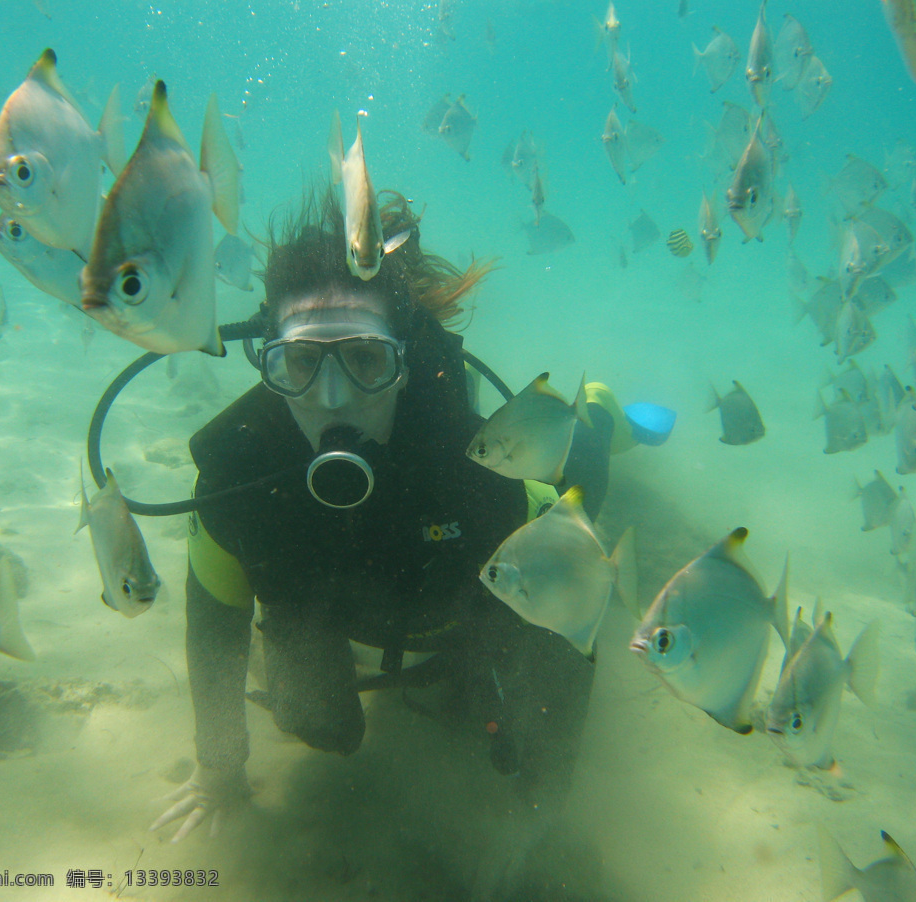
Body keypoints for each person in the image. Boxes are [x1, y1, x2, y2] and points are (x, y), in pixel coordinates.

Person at [151, 190, 646, 844]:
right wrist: (218, 769)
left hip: (457, 582)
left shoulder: (476, 471)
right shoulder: (234, 479)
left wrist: (544, 788)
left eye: (365, 360)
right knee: (308, 711)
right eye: (300, 362)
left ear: (404, 366)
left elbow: (569, 592)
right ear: (268, 364)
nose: (334, 400)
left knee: (581, 471)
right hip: (350, 594)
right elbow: (214, 624)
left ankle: (602, 415)